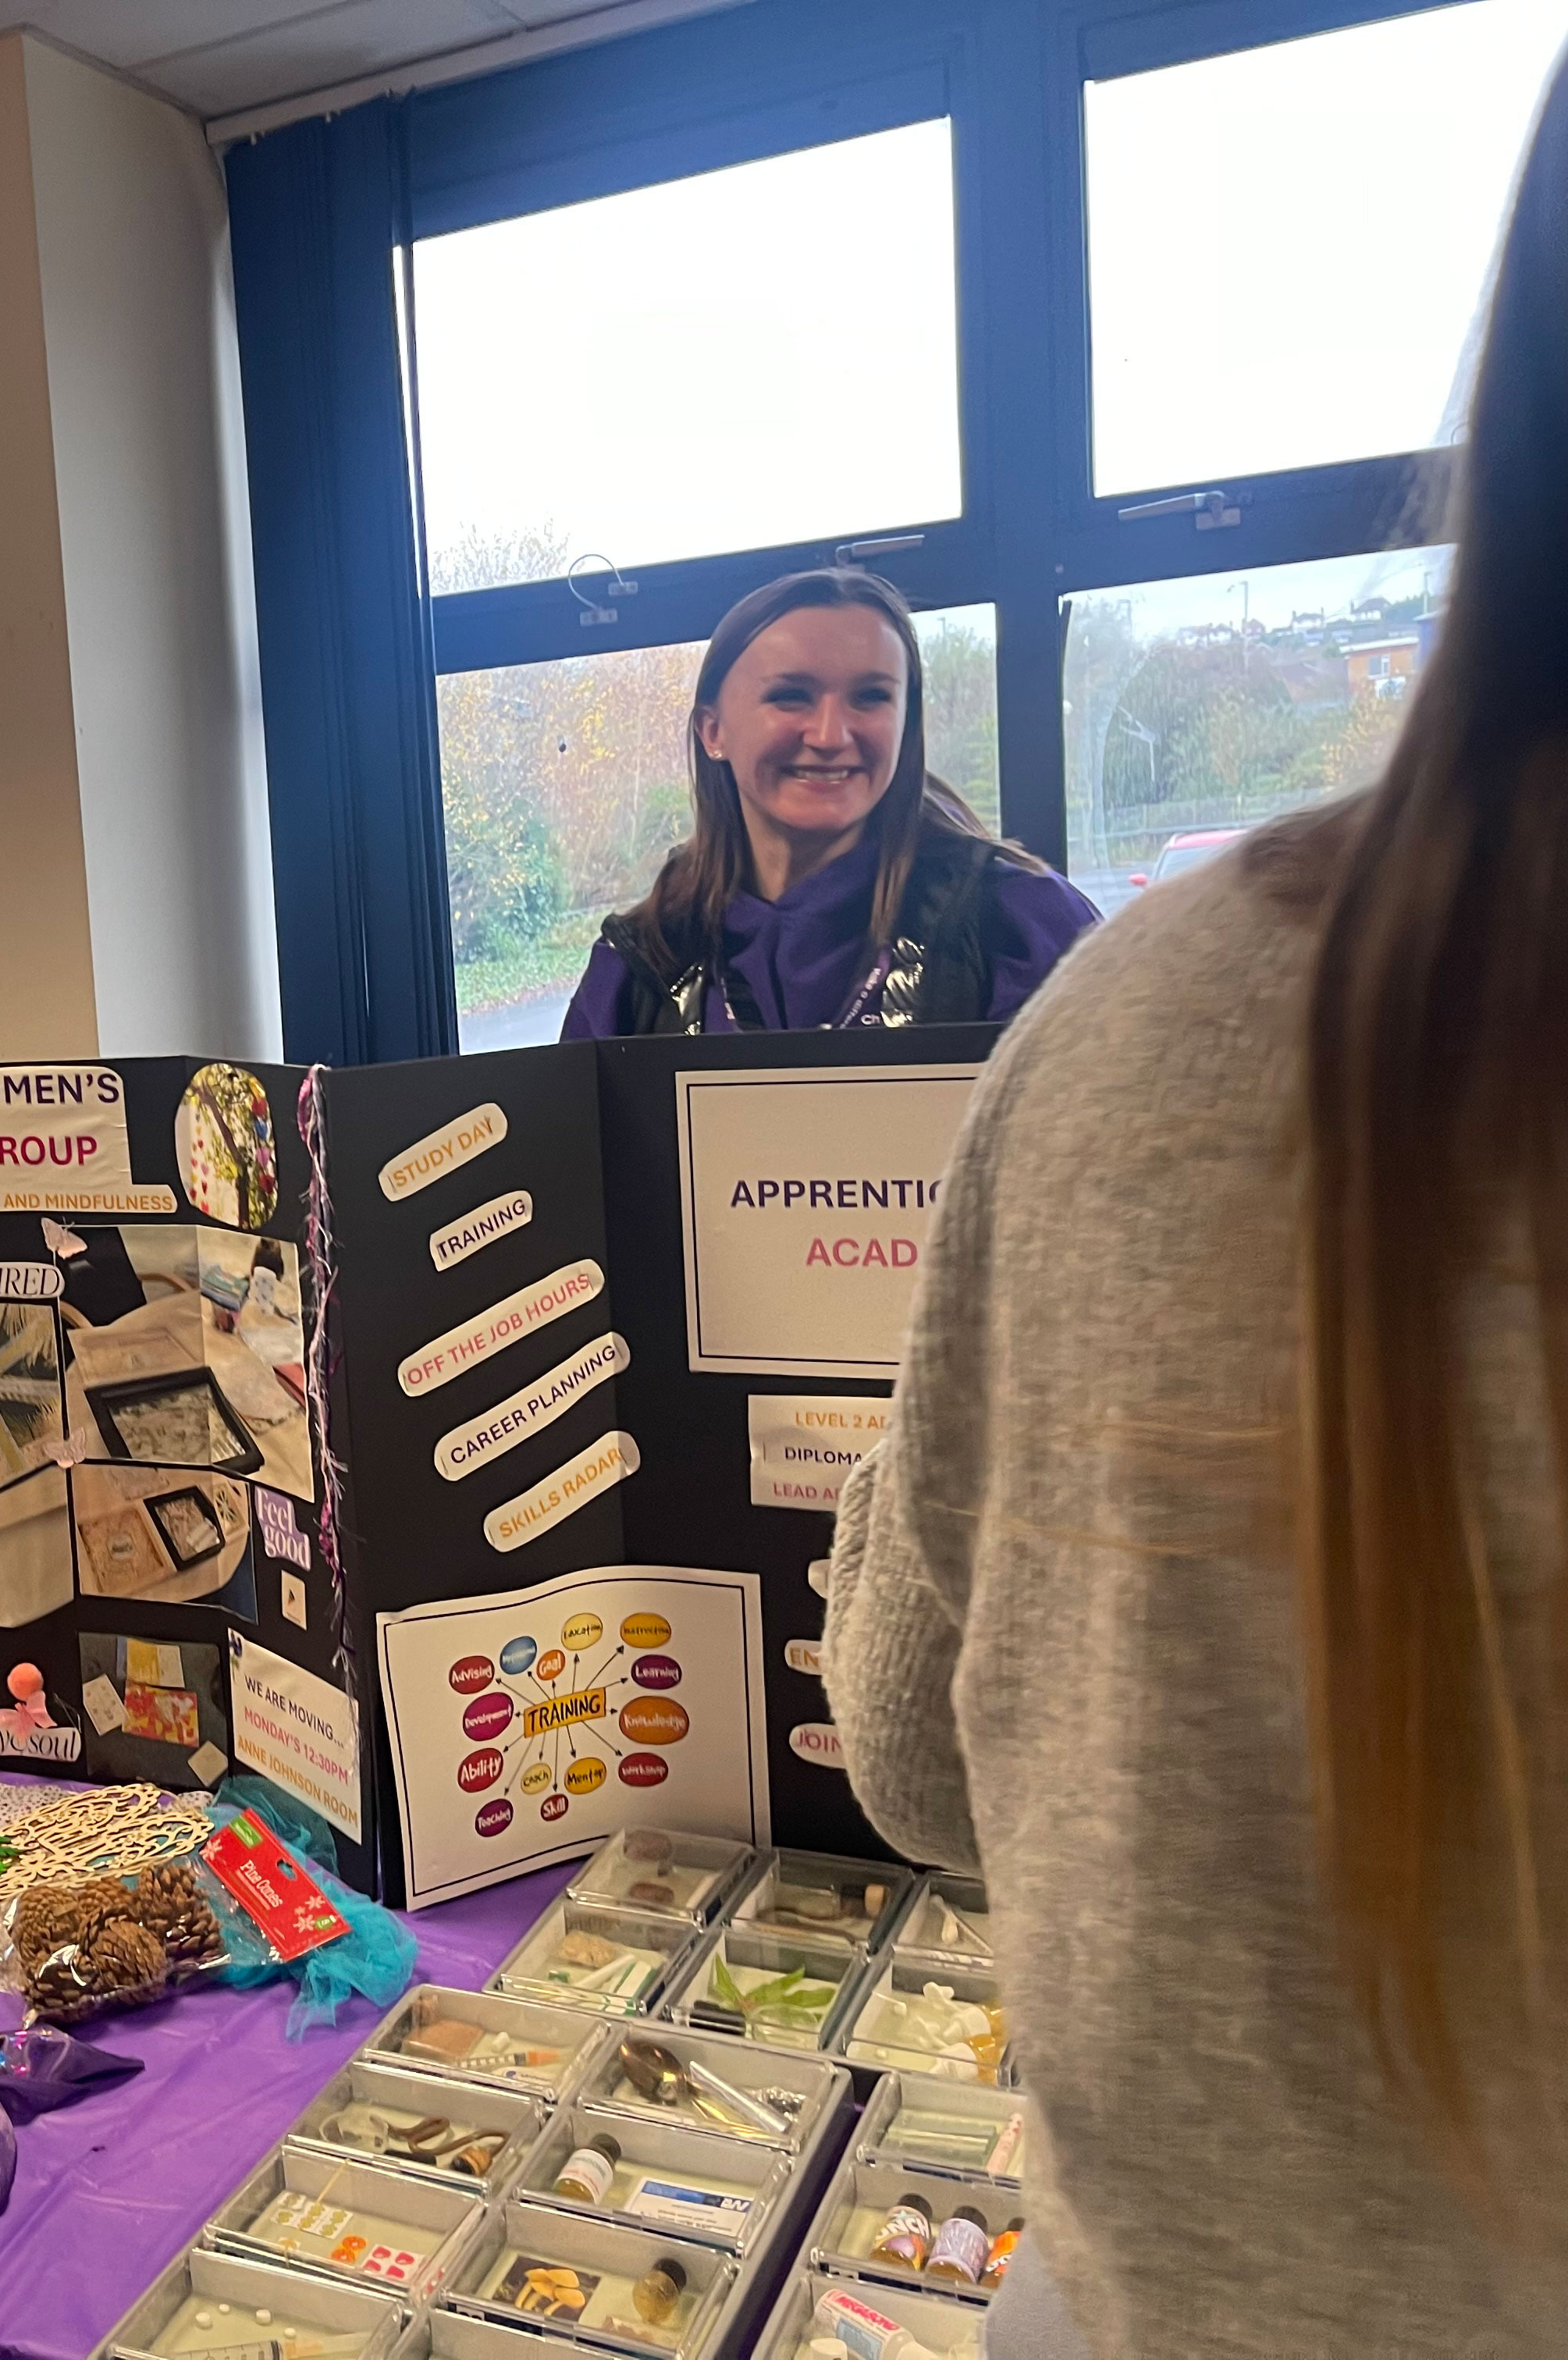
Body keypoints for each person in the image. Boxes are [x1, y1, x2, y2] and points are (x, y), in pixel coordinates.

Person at [823, 64, 1568, 2360]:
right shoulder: (642, 952)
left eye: (859, 695)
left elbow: (929, 1730)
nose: (816, 739)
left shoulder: (1083, 968)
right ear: (708, 737)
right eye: (775, 700)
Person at [560, 570, 1098, 1038]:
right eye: (790, 695)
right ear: (713, 730)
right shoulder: (642, 966)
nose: (830, 734)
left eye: (871, 697)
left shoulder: (1020, 929)